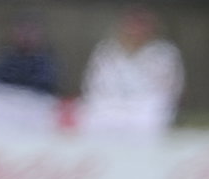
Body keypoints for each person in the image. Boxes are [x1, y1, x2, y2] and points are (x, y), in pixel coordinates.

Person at [78, 4, 184, 138]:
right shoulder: (106, 50)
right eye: (132, 25)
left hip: (145, 106)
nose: (136, 31)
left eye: (141, 26)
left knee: (151, 118)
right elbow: (92, 83)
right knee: (89, 115)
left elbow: (171, 88)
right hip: (108, 103)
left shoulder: (164, 52)